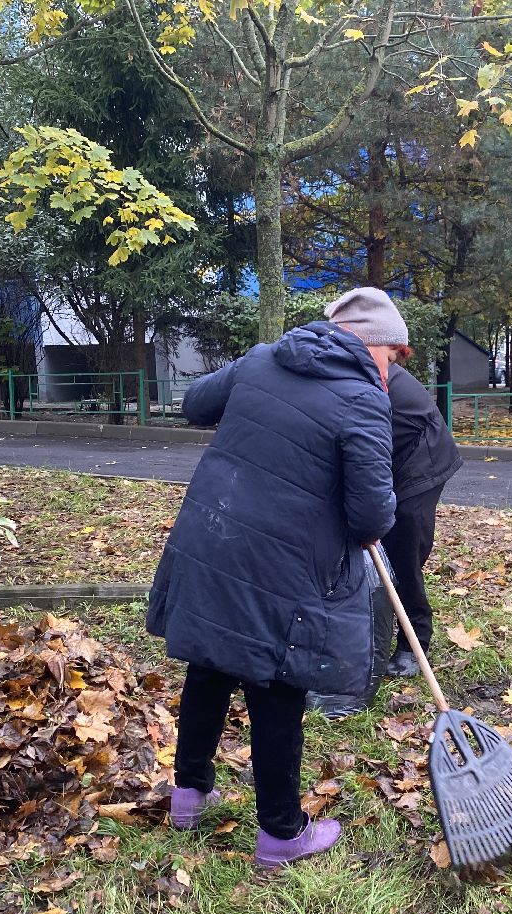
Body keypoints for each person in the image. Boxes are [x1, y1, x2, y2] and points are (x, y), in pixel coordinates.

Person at [146, 286, 403, 867]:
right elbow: (370, 516)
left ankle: (187, 797)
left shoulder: (264, 358)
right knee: (279, 685)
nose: (394, 369)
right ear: (373, 344)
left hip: (214, 539)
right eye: (396, 356)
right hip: (285, 564)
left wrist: (249, 368)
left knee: (210, 666)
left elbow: (195, 404)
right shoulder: (362, 398)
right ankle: (282, 834)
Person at [382, 352, 463, 677]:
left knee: (404, 549)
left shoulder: (366, 368)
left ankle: (414, 644)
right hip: (394, 454)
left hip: (421, 458)